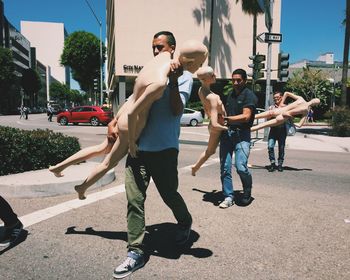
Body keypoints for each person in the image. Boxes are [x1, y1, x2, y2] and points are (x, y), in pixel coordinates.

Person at [49, 38, 208, 201]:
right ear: (190, 61)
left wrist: (115, 120)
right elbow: (134, 113)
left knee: (101, 148)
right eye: (200, 63)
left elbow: (133, 98)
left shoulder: (157, 60)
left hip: (122, 114)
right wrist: (132, 142)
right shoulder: (161, 81)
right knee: (107, 163)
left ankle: (59, 167)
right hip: (132, 122)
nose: (199, 68)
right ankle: (82, 188)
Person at [112, 31, 200, 279]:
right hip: (137, 148)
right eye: (152, 47)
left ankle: (184, 222)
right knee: (134, 200)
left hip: (164, 149)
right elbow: (132, 100)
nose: (155, 51)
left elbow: (176, 110)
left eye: (159, 46)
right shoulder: (149, 70)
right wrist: (114, 120)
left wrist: (172, 80)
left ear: (172, 48)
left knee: (169, 194)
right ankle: (135, 251)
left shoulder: (184, 77)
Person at [218, 68, 257, 208]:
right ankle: (228, 196)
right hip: (227, 135)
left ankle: (247, 190)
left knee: (240, 167)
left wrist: (227, 119)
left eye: (238, 80)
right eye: (233, 80)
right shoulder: (230, 95)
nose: (235, 82)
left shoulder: (249, 95)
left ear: (245, 80)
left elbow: (246, 116)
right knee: (225, 168)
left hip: (242, 135)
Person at [191, 66, 227, 176]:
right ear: (205, 79)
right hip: (218, 127)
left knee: (211, 151)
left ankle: (195, 167)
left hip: (214, 124)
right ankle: (195, 167)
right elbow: (216, 124)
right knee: (210, 151)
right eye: (212, 75)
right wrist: (226, 127)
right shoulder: (213, 97)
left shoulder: (201, 90)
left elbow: (208, 110)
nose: (215, 76)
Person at [265, 91, 288, 172]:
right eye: (274, 98)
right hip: (273, 130)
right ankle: (272, 163)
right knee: (270, 146)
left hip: (282, 130)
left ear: (281, 97)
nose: (276, 99)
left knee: (281, 148)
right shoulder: (271, 107)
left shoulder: (286, 107)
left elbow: (290, 117)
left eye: (277, 97)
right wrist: (270, 115)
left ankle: (280, 164)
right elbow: (267, 119)